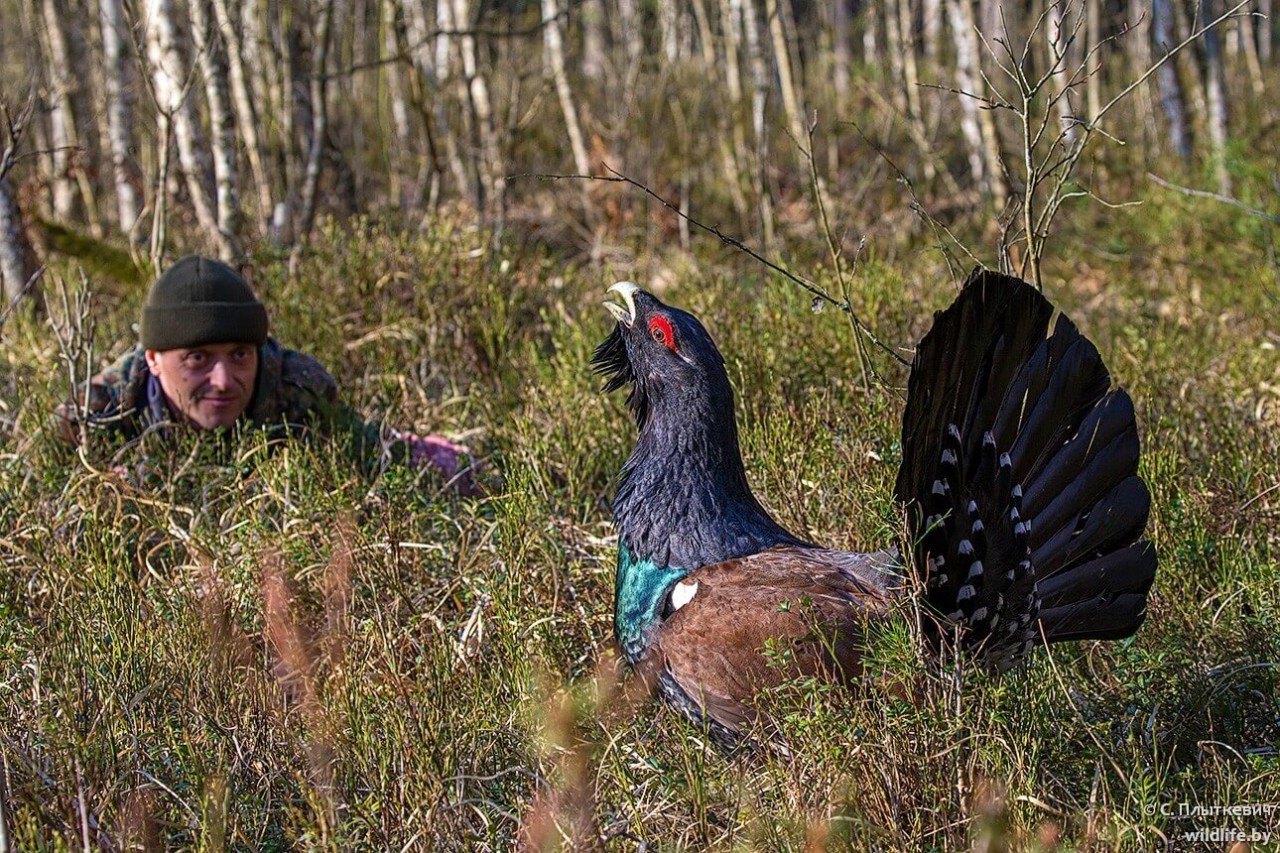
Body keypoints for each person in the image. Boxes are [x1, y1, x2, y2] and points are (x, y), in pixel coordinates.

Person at [55, 255, 477, 492]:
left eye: (239, 354)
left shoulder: (296, 386)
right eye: (198, 359)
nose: (223, 380)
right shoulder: (96, 413)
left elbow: (373, 452)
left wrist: (454, 469)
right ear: (153, 361)